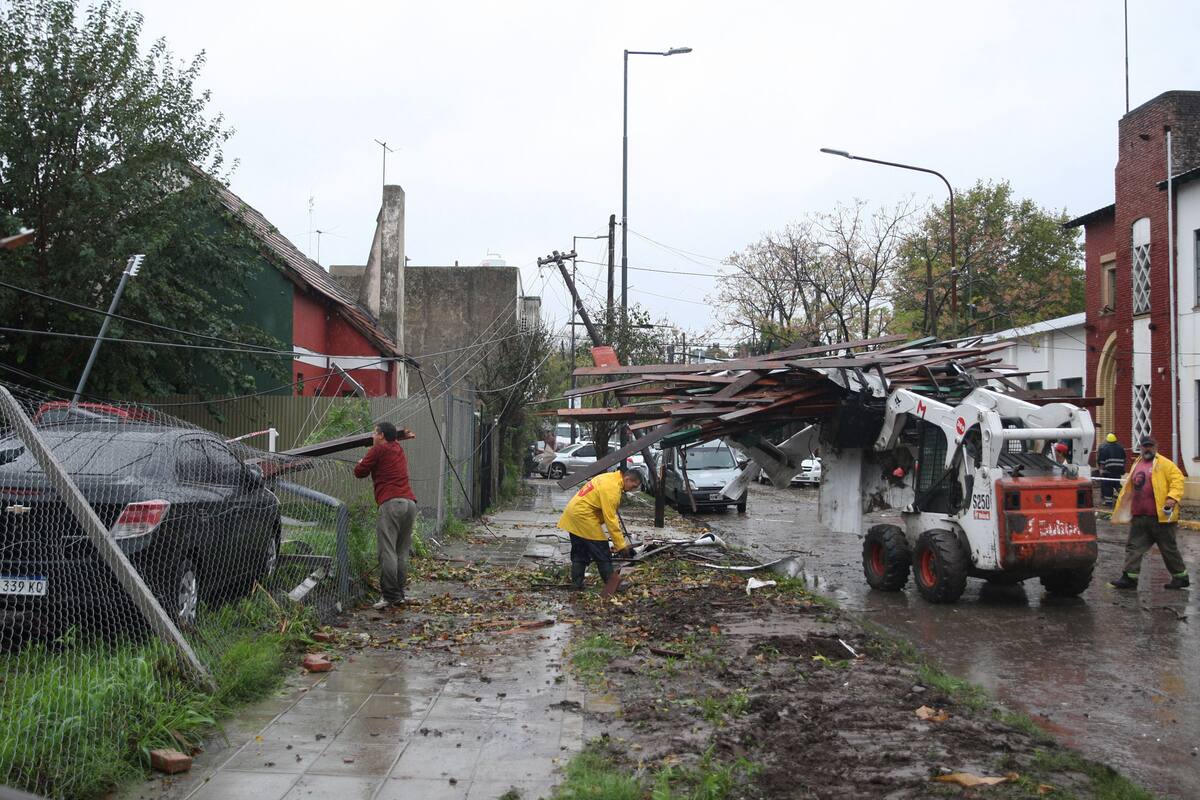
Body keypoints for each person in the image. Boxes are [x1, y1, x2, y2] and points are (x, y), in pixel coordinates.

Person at [1109, 436, 1189, 590]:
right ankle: (1129, 578)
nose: (1147, 449)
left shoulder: (1164, 464)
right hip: (1140, 516)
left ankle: (1181, 577)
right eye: (1145, 446)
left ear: (1156, 447)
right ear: (1140, 448)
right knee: (1133, 547)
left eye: (1150, 446)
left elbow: (1178, 480)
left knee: (1168, 548)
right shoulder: (1137, 463)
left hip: (1160, 517)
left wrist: (1172, 498)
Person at [354, 422, 418, 608]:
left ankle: (390, 596)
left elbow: (359, 472)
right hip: (409, 503)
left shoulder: (378, 450)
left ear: (381, 435)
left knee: (387, 551)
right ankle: (399, 593)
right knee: (401, 552)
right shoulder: (397, 448)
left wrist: (361, 462)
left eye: (374, 433)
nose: (372, 436)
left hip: (391, 504)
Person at [557, 468, 642, 589]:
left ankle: (576, 584)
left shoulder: (608, 477)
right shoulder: (612, 488)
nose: (632, 489)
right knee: (601, 550)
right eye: (633, 486)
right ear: (627, 479)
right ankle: (613, 584)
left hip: (573, 513)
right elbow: (610, 520)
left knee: (580, 551)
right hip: (584, 516)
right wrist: (621, 546)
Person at [1097, 433, 1126, 505]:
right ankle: (1124, 497)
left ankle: (1108, 502)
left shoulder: (1104, 448)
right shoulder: (1121, 448)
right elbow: (1124, 459)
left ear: (1107, 440)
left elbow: (1102, 462)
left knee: (1107, 485)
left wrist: (1101, 471)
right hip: (1118, 471)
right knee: (1117, 484)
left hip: (1108, 471)